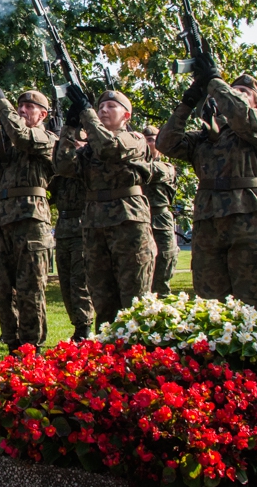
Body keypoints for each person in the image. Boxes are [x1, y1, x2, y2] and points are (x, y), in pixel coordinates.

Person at [157, 56, 257, 311]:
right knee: (211, 306)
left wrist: (215, 82)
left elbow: (241, 114)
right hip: (209, 226)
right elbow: (165, 143)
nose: (235, 93)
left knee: (254, 304)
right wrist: (188, 101)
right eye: (232, 90)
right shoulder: (204, 137)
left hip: (250, 224)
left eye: (243, 92)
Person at [55, 88, 154, 329]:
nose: (103, 110)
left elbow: (110, 149)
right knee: (102, 300)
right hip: (94, 226)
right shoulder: (89, 148)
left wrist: (88, 113)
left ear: (126, 116)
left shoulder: (135, 139)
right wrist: (69, 126)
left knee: (134, 298)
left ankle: (138, 355)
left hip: (128, 224)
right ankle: (107, 357)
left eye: (111, 106)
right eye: (100, 107)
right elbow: (63, 165)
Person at [0, 88, 57, 350]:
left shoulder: (46, 138)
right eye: (19, 106)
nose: (22, 110)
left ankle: (32, 349)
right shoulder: (6, 142)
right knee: (2, 291)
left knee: (29, 290)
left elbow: (23, 137)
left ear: (42, 114)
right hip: (2, 222)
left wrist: (2, 103)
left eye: (29, 107)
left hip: (32, 221)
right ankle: (12, 346)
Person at [48, 133, 94, 341]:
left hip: (82, 227)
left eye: (78, 142)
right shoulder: (60, 176)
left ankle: (84, 328)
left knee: (79, 281)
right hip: (64, 229)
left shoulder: (86, 166)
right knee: (66, 282)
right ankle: (77, 324)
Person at [142, 125, 179, 296]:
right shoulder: (134, 165)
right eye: (146, 139)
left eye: (153, 139)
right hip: (141, 219)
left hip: (160, 219)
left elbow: (150, 171)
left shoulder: (167, 167)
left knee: (164, 265)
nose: (150, 143)